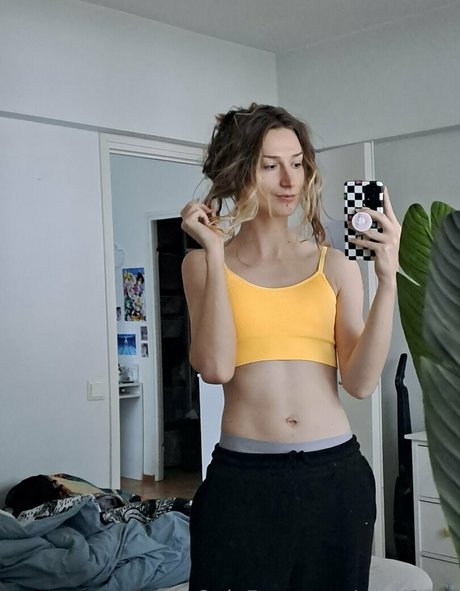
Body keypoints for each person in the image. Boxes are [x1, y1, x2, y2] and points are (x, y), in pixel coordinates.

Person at [180, 103, 401, 591]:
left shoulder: (335, 266)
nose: (289, 180)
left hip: (336, 477)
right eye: (270, 165)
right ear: (238, 171)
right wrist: (214, 253)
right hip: (242, 480)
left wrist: (387, 281)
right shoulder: (202, 265)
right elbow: (215, 368)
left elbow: (361, 383)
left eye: (297, 163)